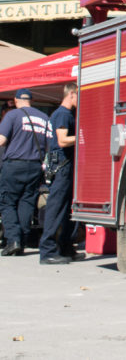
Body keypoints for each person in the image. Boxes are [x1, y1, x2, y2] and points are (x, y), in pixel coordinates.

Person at [0, 88, 52, 256]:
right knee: (26, 203)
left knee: (7, 202)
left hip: (14, 165)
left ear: (16, 101)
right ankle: (21, 241)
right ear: (32, 100)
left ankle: (13, 239)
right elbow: (50, 146)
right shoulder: (44, 118)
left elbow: (1, 140)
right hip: (35, 166)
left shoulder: (12, 116)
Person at [40, 84, 80, 265]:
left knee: (66, 210)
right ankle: (47, 251)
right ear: (71, 94)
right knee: (56, 208)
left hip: (63, 165)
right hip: (62, 165)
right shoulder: (63, 114)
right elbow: (63, 140)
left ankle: (65, 247)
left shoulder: (64, 114)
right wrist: (82, 136)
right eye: (78, 96)